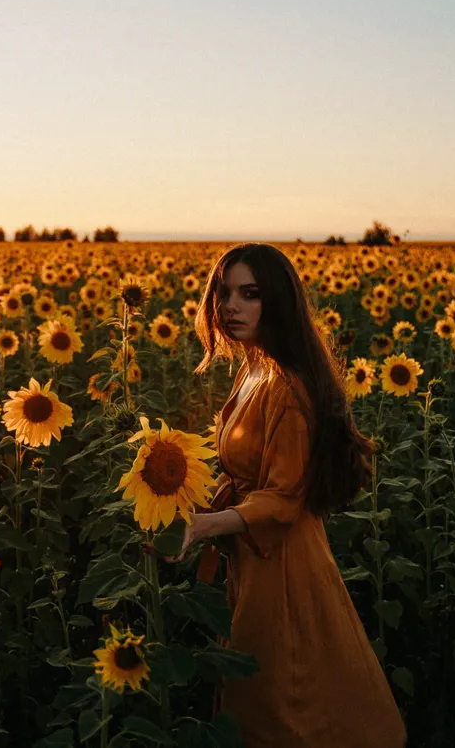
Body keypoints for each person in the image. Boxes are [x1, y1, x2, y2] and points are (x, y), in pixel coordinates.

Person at [168, 242, 407, 748]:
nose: (230, 306)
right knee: (264, 687)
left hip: (281, 562)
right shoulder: (255, 368)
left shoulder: (286, 386)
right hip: (254, 555)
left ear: (277, 300)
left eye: (249, 294)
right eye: (224, 293)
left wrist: (206, 525)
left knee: (285, 700)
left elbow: (282, 498)